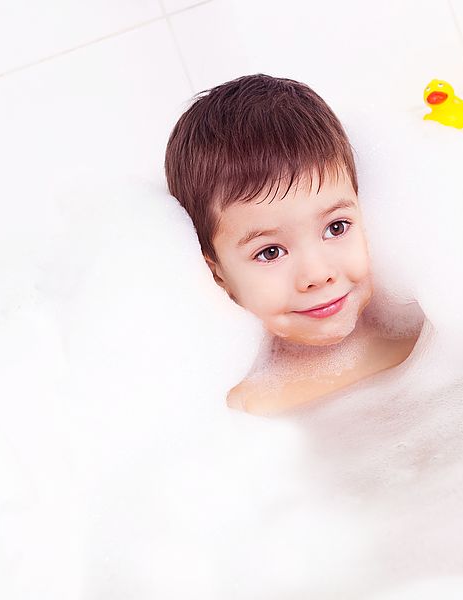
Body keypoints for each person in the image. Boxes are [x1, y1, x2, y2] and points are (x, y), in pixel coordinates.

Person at [164, 74, 425, 416]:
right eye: (270, 252)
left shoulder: (431, 333)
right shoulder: (241, 409)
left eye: (336, 227)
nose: (317, 274)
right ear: (219, 274)